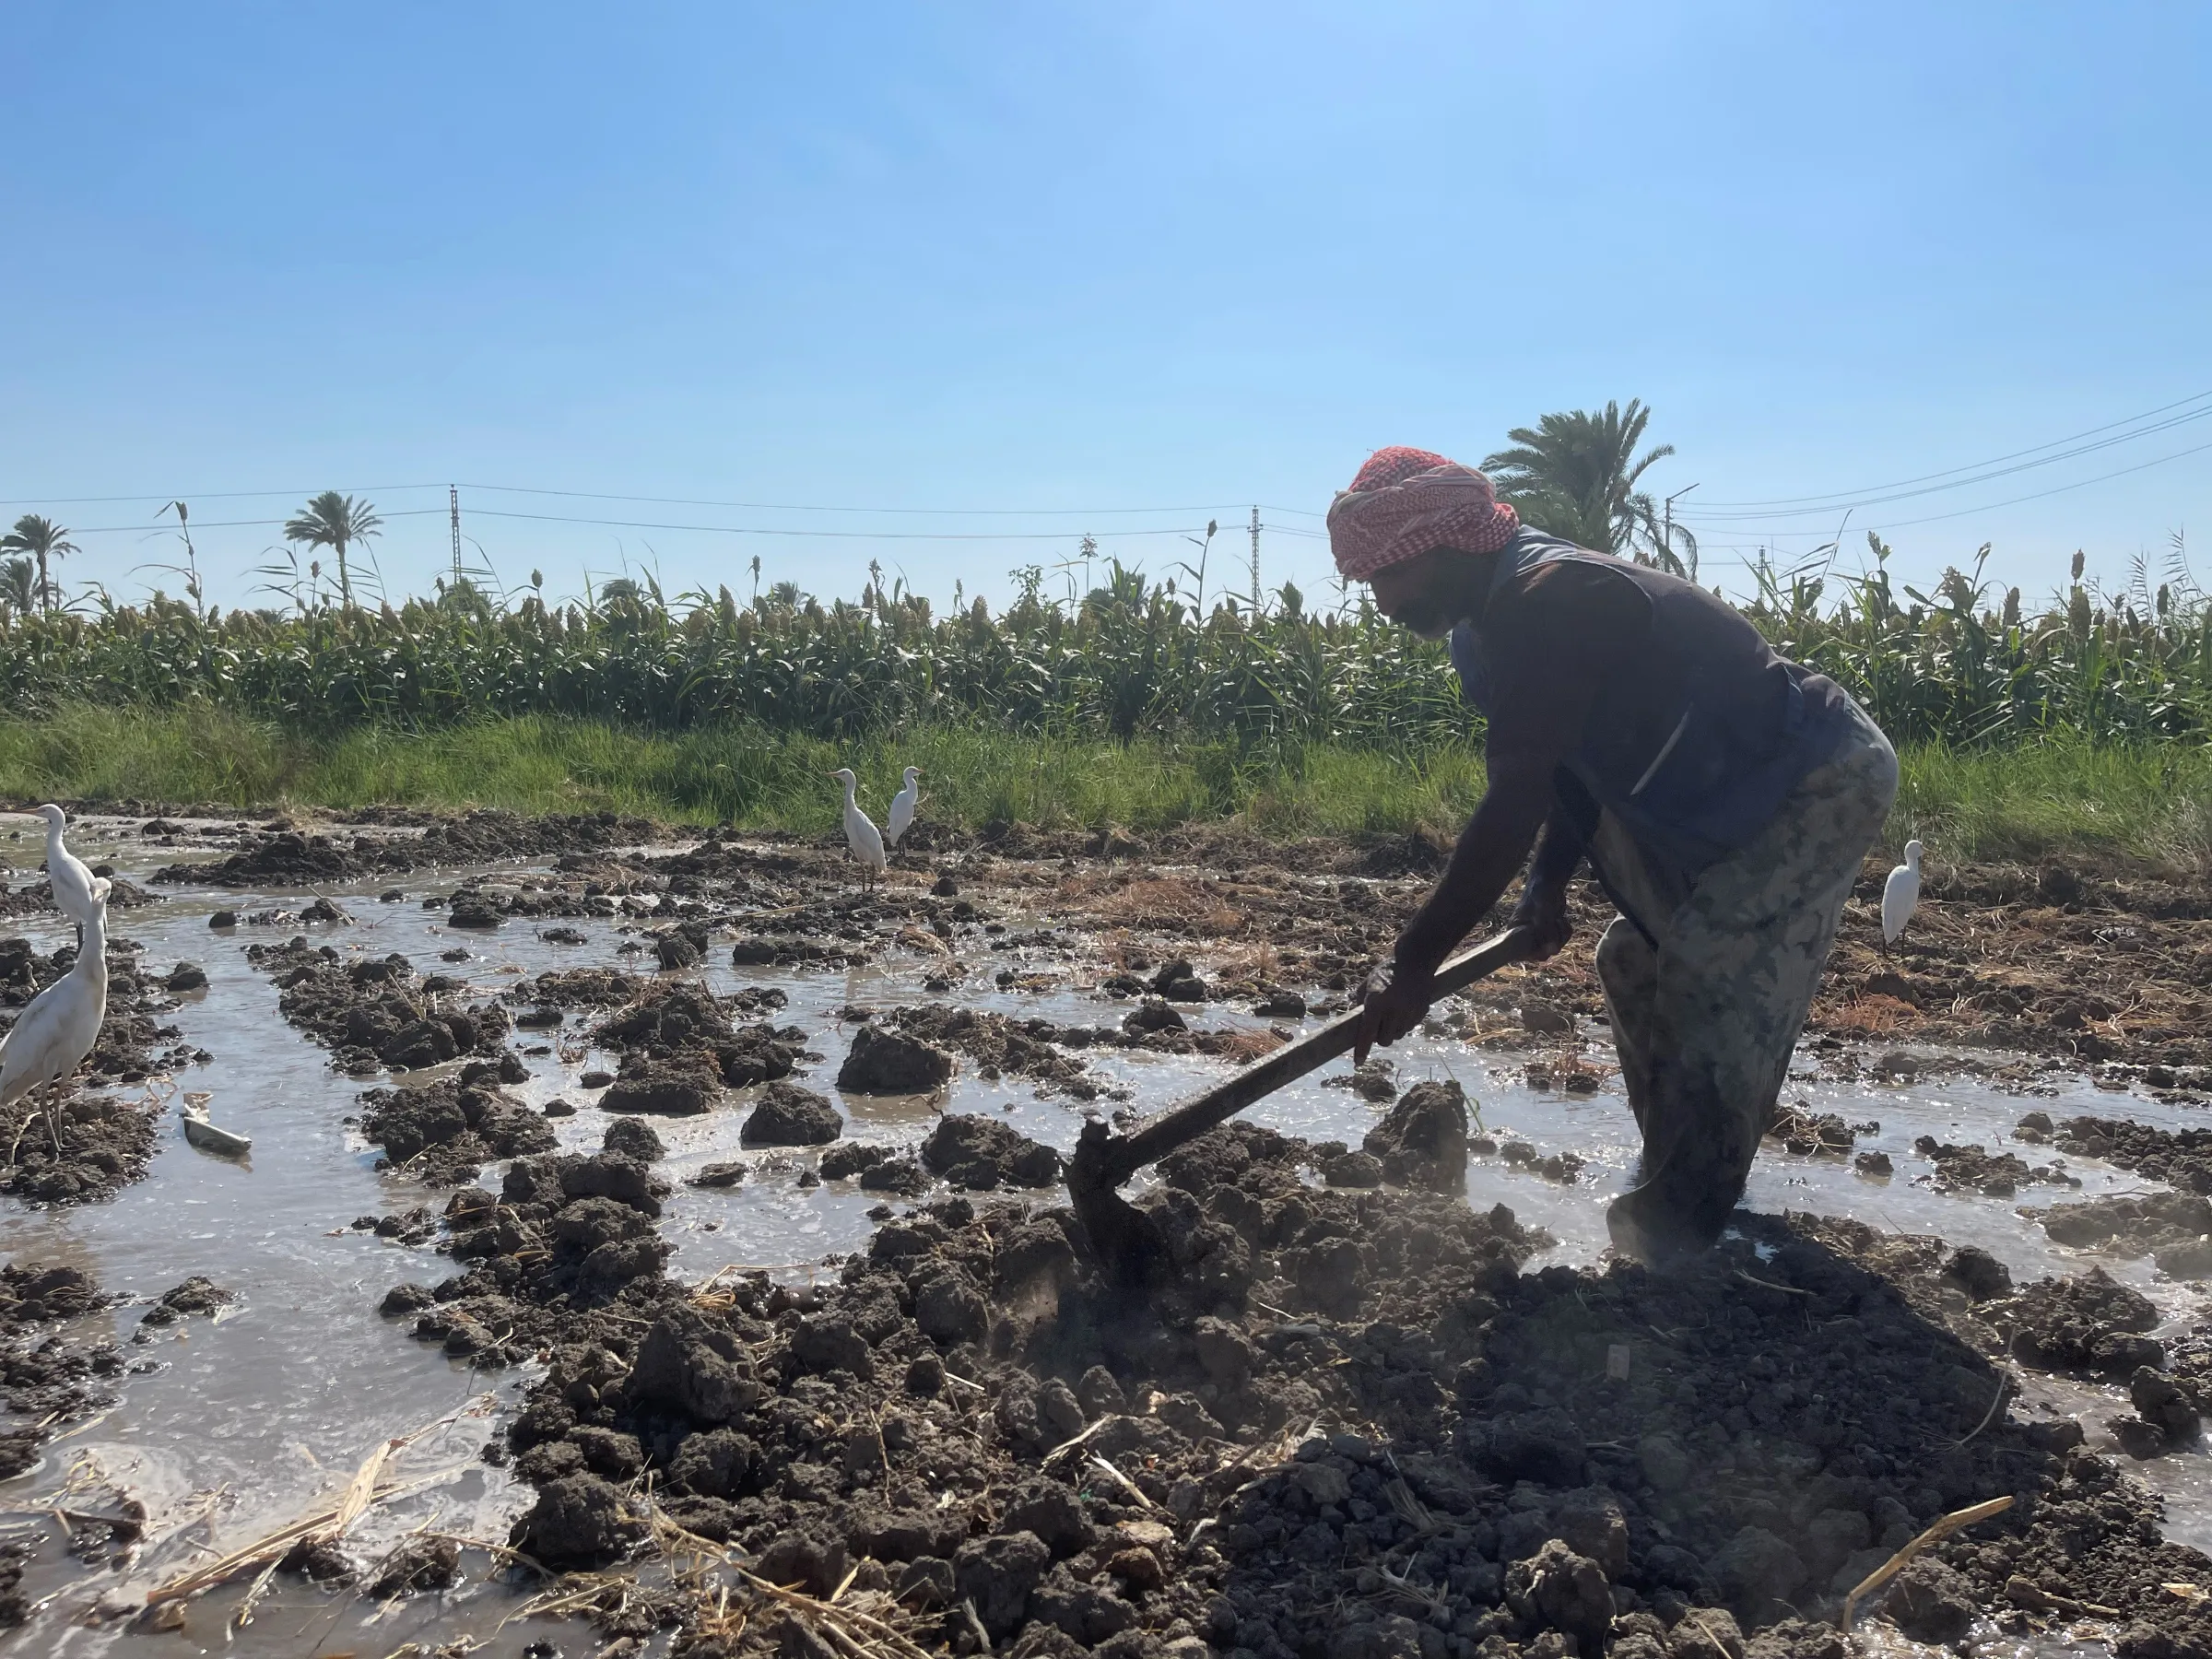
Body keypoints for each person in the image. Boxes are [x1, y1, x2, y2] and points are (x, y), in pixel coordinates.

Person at [1332, 446, 1897, 1263]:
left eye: (1391, 575)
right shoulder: (1483, 628)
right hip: (1708, 791)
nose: (1379, 599)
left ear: (1449, 546)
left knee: (1714, 967)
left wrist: (1415, 958)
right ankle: (1676, 1176)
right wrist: (1546, 887)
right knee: (1632, 959)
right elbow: (1568, 764)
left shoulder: (1552, 599)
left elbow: (1516, 793)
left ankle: (1674, 1236)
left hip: (1813, 779)